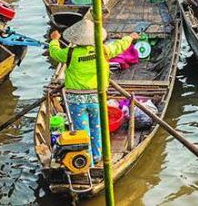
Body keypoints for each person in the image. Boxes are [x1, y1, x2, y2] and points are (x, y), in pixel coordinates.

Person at [48, 20, 135, 165]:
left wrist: (54, 41)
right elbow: (119, 46)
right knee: (97, 128)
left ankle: (88, 162)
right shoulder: (103, 50)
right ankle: (97, 156)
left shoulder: (70, 53)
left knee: (82, 131)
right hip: (97, 98)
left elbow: (54, 53)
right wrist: (130, 37)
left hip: (76, 101)